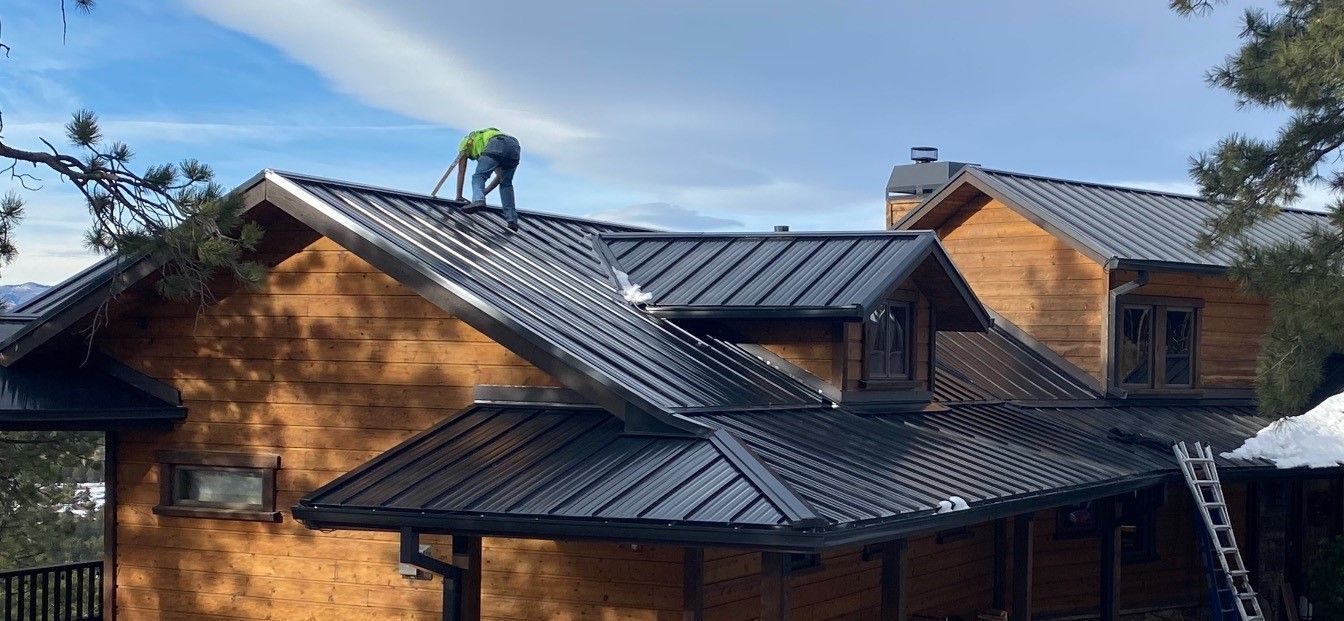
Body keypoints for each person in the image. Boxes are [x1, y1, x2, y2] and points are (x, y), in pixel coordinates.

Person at [454, 128, 522, 229]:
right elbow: (499, 178)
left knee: (478, 176)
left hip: (496, 144)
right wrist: (483, 192)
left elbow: (461, 171)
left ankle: (478, 200)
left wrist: (459, 196)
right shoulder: (485, 136)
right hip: (514, 146)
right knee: (506, 184)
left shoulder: (465, 143)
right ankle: (512, 220)